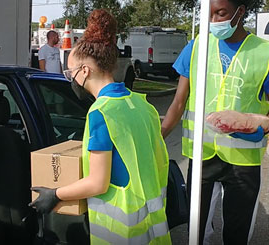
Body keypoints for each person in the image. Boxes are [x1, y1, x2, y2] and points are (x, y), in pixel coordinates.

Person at [30, 9, 171, 244]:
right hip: (152, 226)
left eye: (70, 72)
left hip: (120, 233)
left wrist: (54, 194)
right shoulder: (142, 104)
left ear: (84, 71)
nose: (70, 80)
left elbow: (98, 182)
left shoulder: (101, 113)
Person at [161, 0, 269, 244]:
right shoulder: (197, 46)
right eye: (208, 15)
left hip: (243, 162)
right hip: (203, 157)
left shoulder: (264, 54)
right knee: (195, 231)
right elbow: (179, 102)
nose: (214, 22)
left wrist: (257, 125)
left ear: (240, 12)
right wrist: (159, 136)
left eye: (221, 14)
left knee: (236, 234)